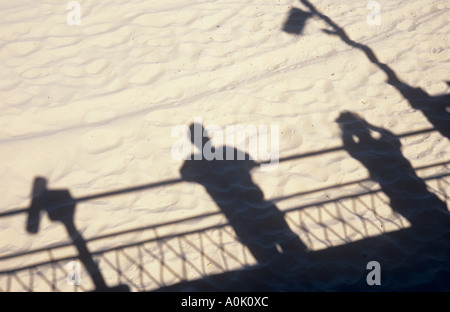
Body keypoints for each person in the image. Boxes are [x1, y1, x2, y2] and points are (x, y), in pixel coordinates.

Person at [180, 123, 306, 265]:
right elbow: (250, 161)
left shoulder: (196, 163)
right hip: (258, 206)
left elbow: (185, 175)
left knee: (267, 256)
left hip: (239, 214)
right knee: (291, 246)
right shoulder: (225, 152)